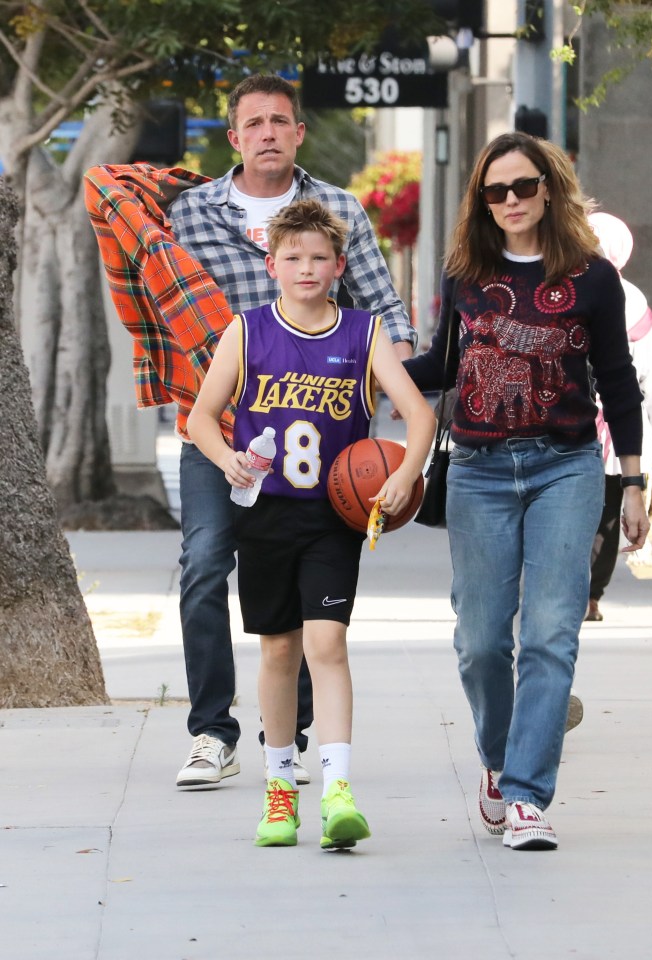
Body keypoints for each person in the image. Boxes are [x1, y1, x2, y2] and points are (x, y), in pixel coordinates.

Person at [84, 74, 416, 790]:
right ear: (233, 138)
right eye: (254, 122)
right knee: (205, 563)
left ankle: (289, 739)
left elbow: (385, 314)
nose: (269, 132)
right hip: (221, 429)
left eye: (281, 121)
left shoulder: (339, 211)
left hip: (317, 441)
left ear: (300, 133)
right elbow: (146, 265)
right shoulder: (190, 213)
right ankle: (211, 731)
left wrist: (396, 393)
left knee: (297, 585)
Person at [404, 132, 649, 851]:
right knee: (481, 642)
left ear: (549, 187)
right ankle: (499, 759)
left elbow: (618, 381)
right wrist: (355, 361)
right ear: (482, 201)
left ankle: (527, 797)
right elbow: (442, 365)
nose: (510, 201)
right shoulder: (465, 275)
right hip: (479, 471)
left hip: (566, 468)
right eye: (495, 191)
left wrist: (632, 480)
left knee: (549, 633)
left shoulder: (592, 278)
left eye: (523, 186)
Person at [186, 199, 435, 847]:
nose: (305, 267)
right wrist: (227, 459)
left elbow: (419, 414)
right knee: (277, 650)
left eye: (318, 257)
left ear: (339, 266)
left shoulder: (364, 331)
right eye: (292, 256)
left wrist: (406, 473)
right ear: (271, 265)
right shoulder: (246, 331)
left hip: (333, 515)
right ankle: (277, 790)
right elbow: (201, 418)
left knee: (327, 645)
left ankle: (337, 789)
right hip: (265, 513)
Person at [586, 212, 652, 621]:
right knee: (604, 517)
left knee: (597, 516)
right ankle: (589, 596)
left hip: (599, 434)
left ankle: (582, 594)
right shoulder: (633, 300)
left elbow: (646, 378)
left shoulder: (569, 291)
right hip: (613, 440)